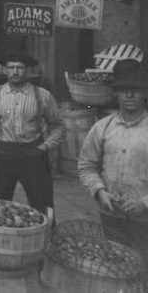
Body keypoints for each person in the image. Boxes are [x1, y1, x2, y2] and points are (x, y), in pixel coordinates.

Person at [0, 51, 64, 214]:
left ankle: (46, 237)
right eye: (11, 67)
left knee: (42, 203)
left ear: (28, 70)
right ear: (4, 70)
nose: (15, 71)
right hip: (3, 153)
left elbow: (58, 126)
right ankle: (0, 236)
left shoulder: (43, 96)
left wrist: (43, 148)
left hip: (34, 154)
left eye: (20, 68)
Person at [77, 59, 148, 259]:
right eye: (124, 89)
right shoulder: (102, 128)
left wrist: (144, 203)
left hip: (145, 220)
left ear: (145, 93)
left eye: (136, 89)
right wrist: (100, 192)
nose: (130, 94)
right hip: (111, 215)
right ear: (115, 93)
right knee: (117, 264)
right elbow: (86, 166)